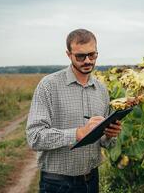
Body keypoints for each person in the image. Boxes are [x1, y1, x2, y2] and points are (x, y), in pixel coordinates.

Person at [26, 29, 122, 193]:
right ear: (68, 54)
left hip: (91, 180)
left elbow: (104, 142)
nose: (87, 61)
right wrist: (78, 133)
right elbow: (34, 137)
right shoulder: (49, 86)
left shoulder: (101, 90)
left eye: (92, 55)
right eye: (80, 56)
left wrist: (109, 135)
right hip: (57, 183)